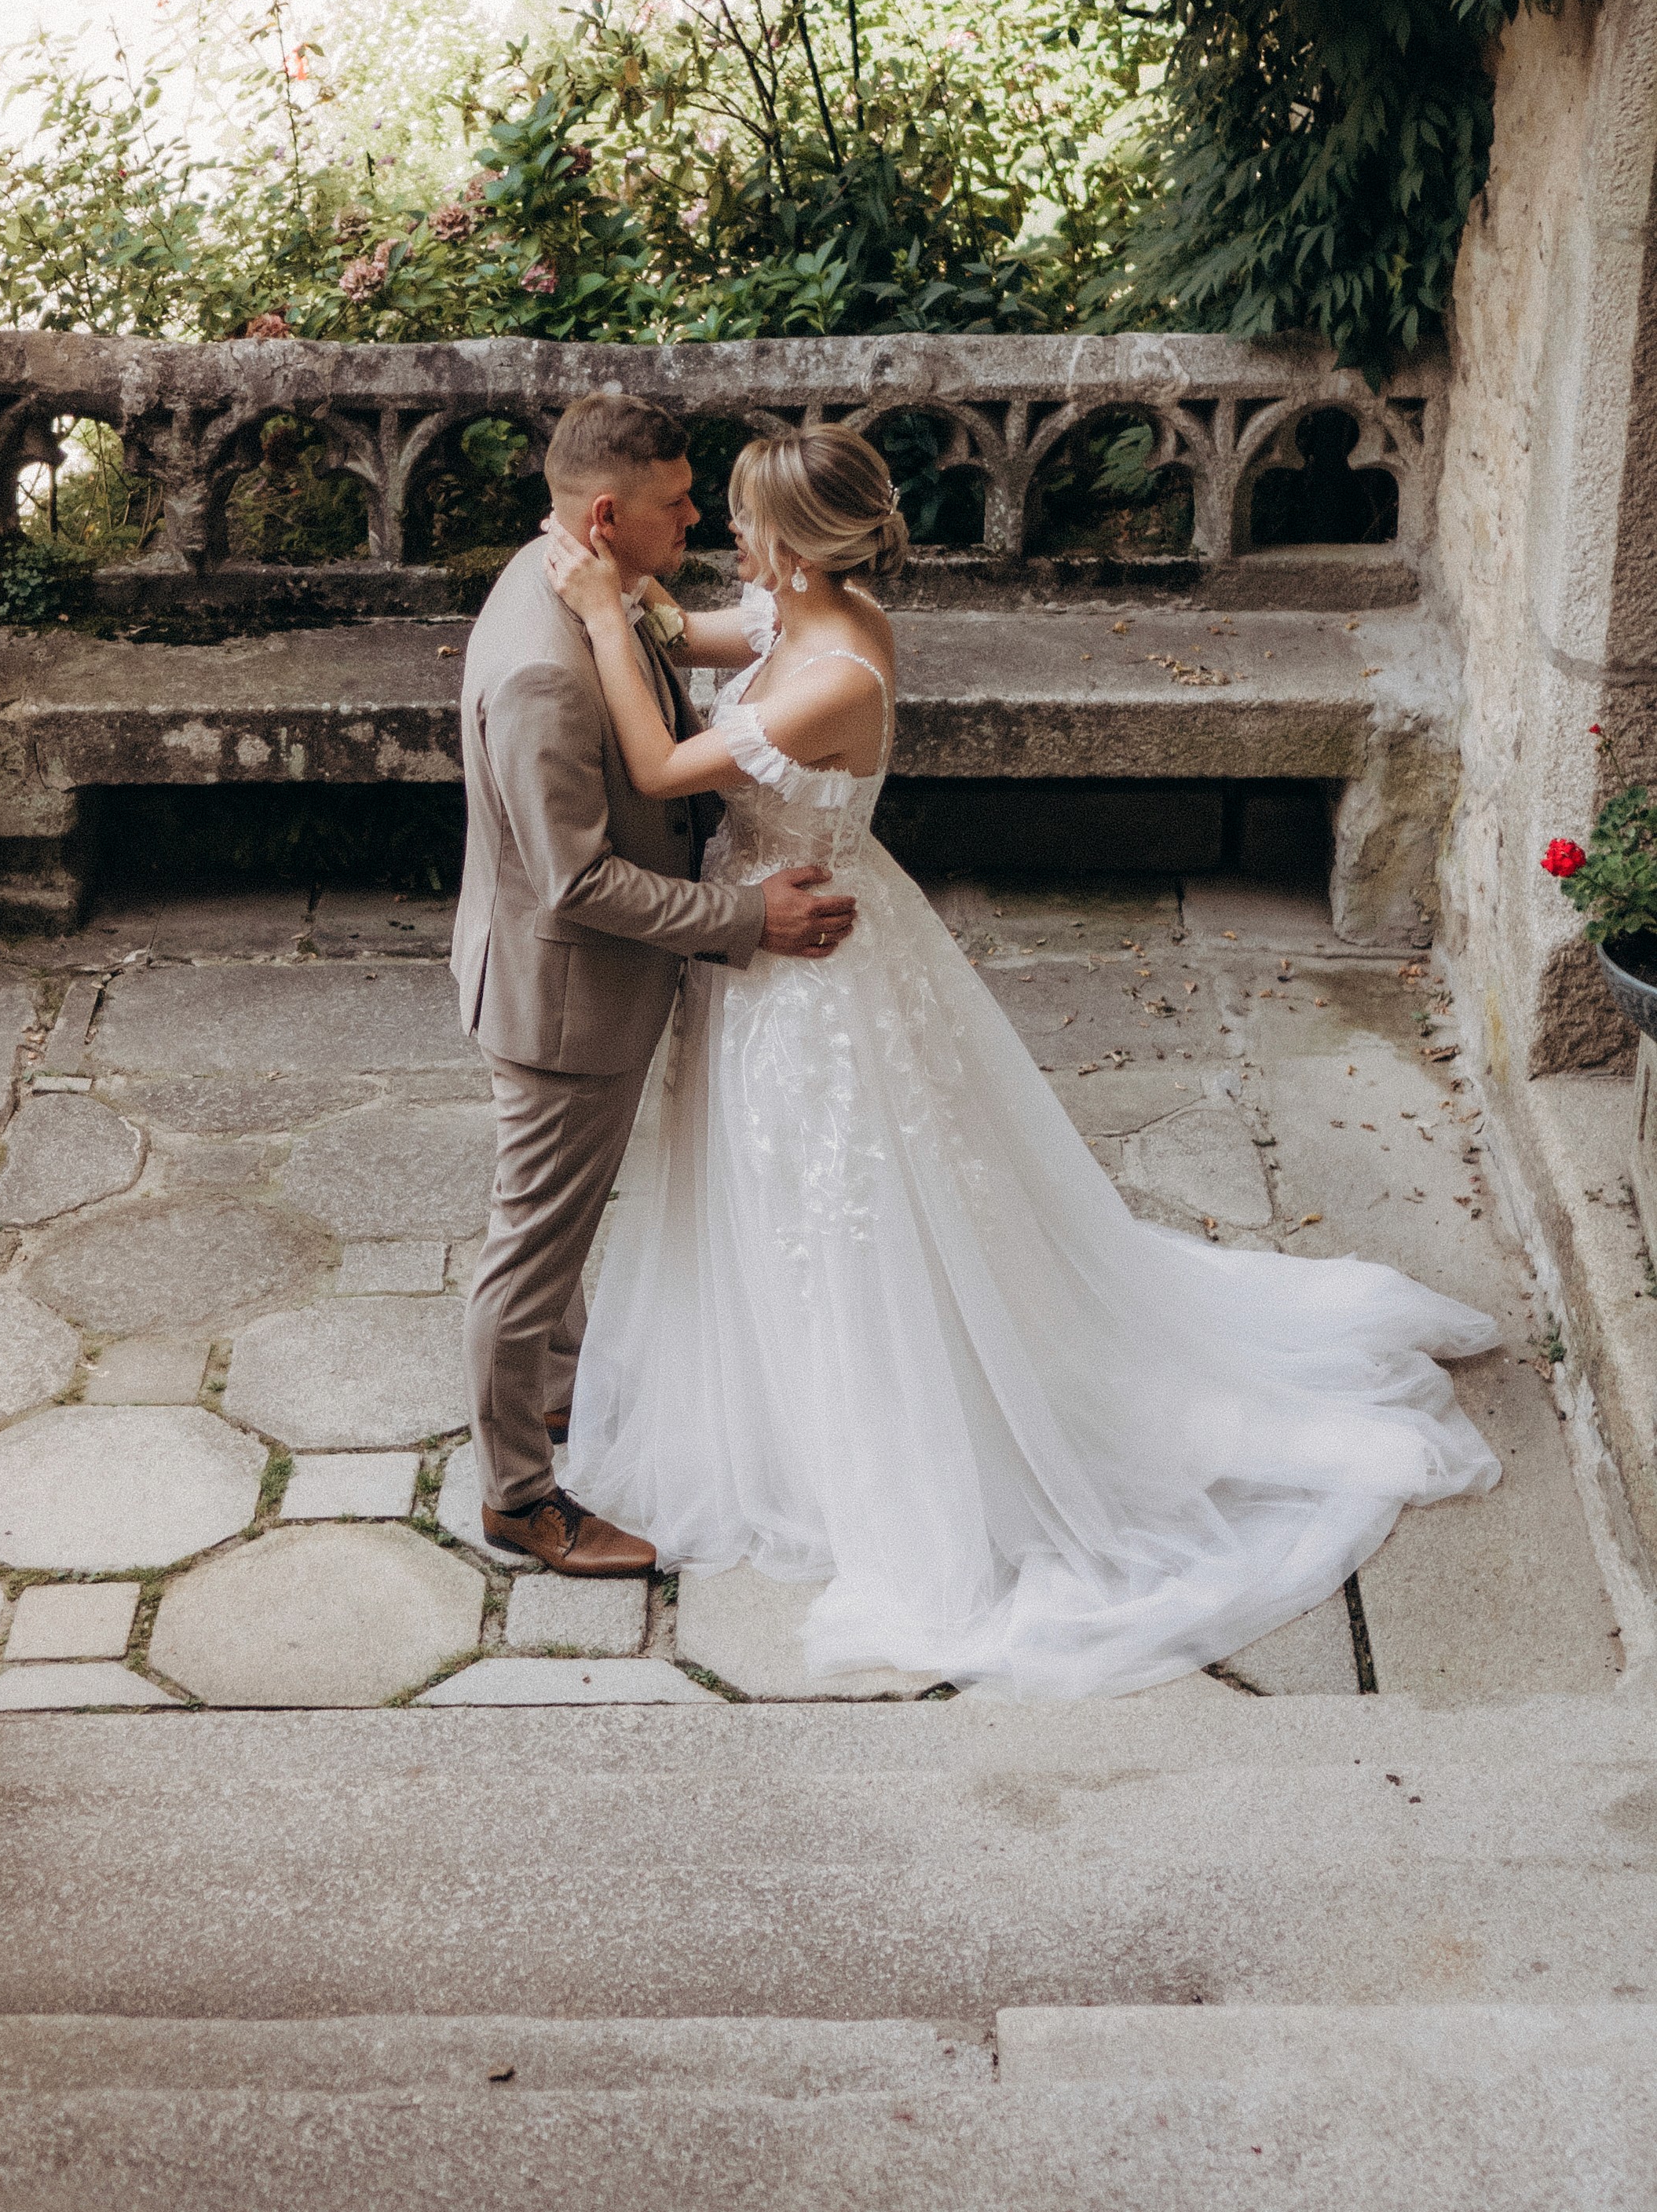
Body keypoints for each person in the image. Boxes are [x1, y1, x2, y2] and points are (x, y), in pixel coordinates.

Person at [543, 419, 1502, 1696]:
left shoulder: (840, 669)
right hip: (774, 935)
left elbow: (664, 764)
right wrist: (631, 596)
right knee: (777, 1196)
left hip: (810, 965)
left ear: (794, 545)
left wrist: (600, 615)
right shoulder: (801, 612)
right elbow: (698, 636)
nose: (727, 533)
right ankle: (787, 1399)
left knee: (846, 1198)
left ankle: (907, 1436)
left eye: (743, 519)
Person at [452, 390, 858, 1573]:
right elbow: (575, 883)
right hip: (565, 999)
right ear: (606, 514)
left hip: (575, 980)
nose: (694, 521)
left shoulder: (591, 578)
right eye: (677, 505)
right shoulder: (543, 668)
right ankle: (519, 1500)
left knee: (556, 1233)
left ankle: (558, 1393)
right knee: (529, 1254)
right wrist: (747, 918)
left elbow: (678, 652)